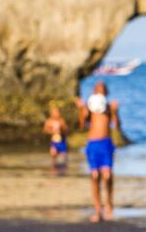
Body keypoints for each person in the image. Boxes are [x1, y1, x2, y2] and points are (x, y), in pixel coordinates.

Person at [76, 81, 122, 222]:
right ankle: (98, 209)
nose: (99, 90)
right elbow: (82, 126)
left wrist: (115, 112)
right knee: (95, 176)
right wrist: (81, 110)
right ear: (94, 92)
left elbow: (118, 127)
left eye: (102, 89)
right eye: (97, 88)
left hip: (106, 143)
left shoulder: (108, 108)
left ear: (106, 93)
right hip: (92, 144)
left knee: (107, 176)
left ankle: (109, 204)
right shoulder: (90, 109)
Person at [43, 103, 69, 175]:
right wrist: (51, 131)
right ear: (51, 113)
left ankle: (64, 167)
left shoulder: (61, 120)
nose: (57, 113)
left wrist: (61, 130)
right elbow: (45, 130)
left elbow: (66, 129)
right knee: (53, 153)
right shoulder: (49, 121)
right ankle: (53, 166)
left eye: (57, 112)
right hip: (54, 141)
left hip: (62, 141)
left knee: (63, 156)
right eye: (55, 112)